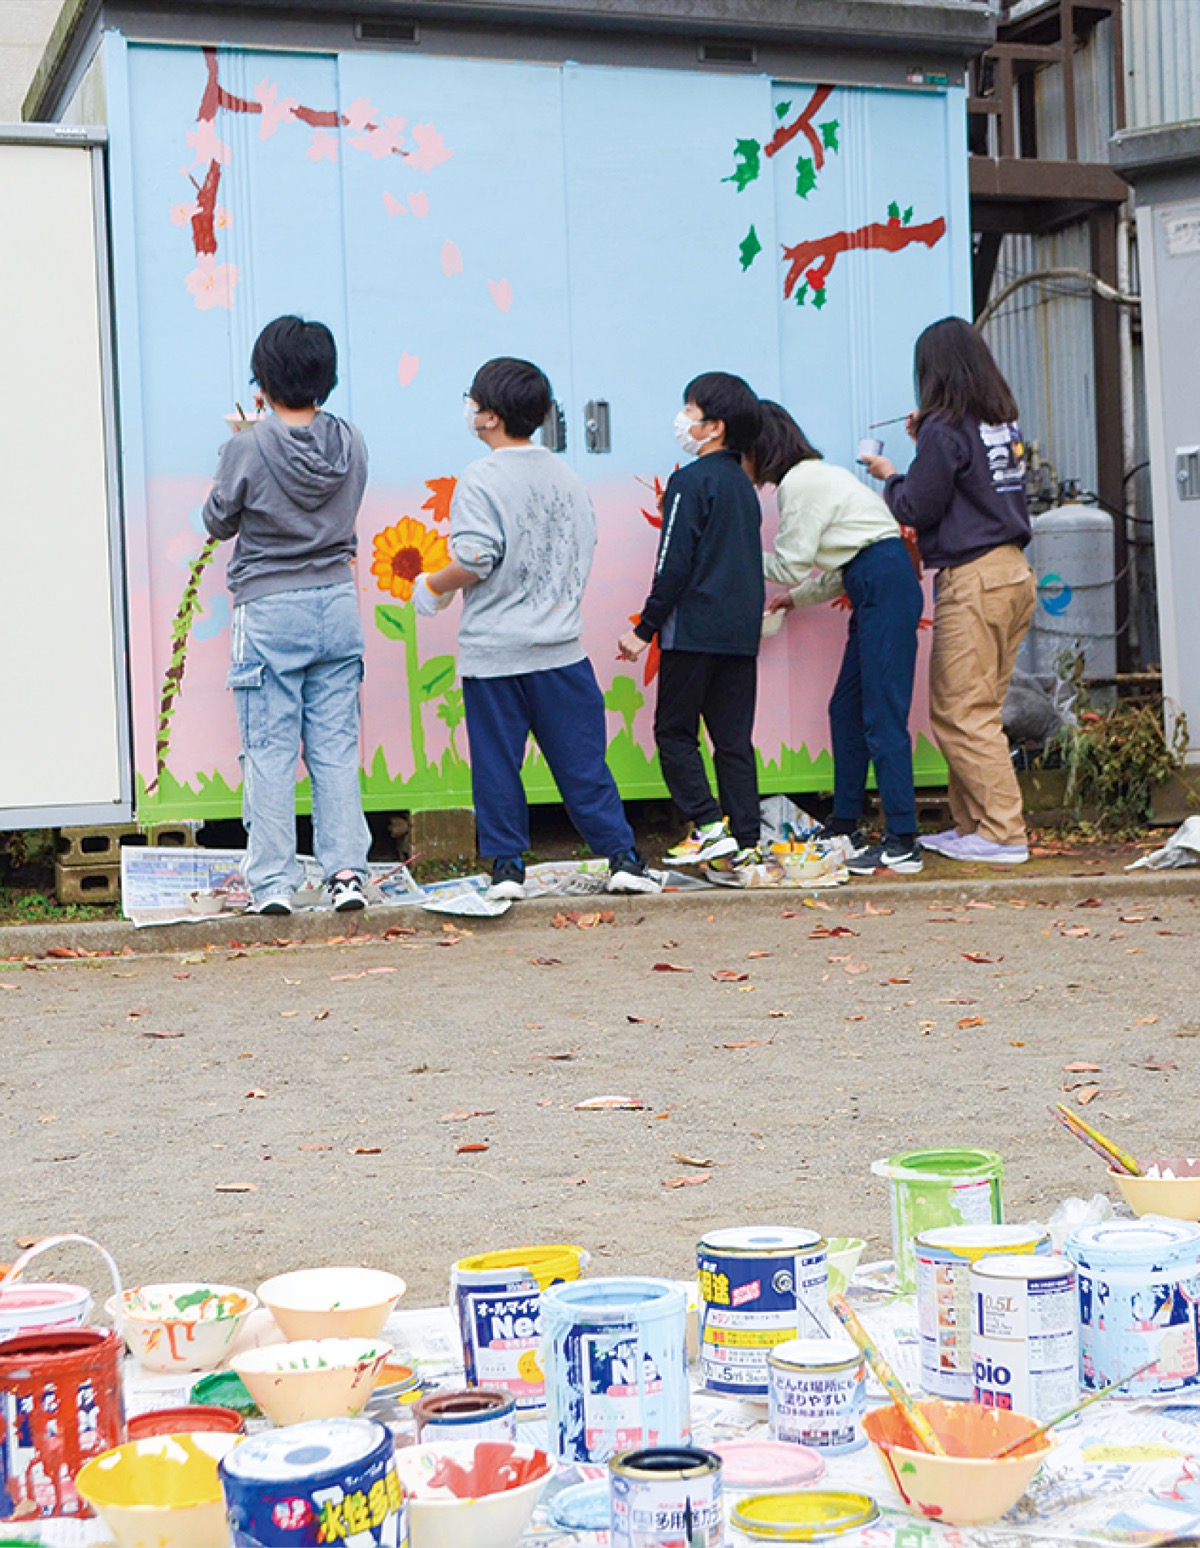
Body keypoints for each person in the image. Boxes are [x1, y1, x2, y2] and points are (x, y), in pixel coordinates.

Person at [415, 356, 657, 902]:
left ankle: (507, 870)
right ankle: (622, 858)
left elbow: (475, 558)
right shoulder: (567, 476)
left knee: (499, 766)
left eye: (473, 401)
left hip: (495, 654)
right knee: (582, 763)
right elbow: (584, 544)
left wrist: (433, 585)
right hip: (561, 651)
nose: (469, 410)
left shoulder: (481, 478)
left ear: (491, 417)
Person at [202, 315, 371, 914]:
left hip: (270, 607)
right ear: (326, 379)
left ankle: (272, 885)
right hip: (336, 603)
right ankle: (347, 873)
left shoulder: (247, 445)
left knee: (270, 749)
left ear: (264, 379)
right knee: (334, 748)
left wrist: (245, 436)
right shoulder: (351, 441)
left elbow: (218, 519)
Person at [862, 316, 1035, 864]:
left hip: (975, 577)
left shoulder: (944, 428)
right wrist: (925, 445)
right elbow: (965, 481)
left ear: (932, 372)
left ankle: (1003, 833)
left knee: (962, 711)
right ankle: (974, 826)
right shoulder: (998, 423)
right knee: (978, 706)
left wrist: (890, 474)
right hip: (1013, 573)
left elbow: (917, 505)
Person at [751, 401, 924, 875]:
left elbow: (789, 562)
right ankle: (845, 822)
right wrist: (793, 600)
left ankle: (903, 841)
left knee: (881, 713)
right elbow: (847, 562)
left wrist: (734, 555)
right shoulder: (816, 475)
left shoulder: (800, 482)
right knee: (846, 708)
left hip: (882, 583)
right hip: (875, 578)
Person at [617, 372, 764, 871]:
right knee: (733, 740)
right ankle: (745, 839)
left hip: (694, 630)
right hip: (740, 635)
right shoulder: (742, 486)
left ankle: (706, 826)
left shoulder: (689, 481)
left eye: (690, 412)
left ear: (715, 427)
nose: (682, 422)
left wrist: (644, 629)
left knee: (675, 733)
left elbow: (672, 564)